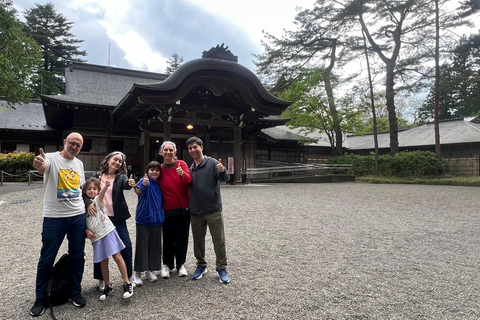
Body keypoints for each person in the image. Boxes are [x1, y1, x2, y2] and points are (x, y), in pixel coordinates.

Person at [30, 132, 87, 317]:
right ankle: (40, 298)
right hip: (54, 217)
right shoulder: (51, 158)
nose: (75, 148)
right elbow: (42, 166)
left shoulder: (79, 164)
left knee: (78, 256)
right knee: (47, 257)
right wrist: (39, 164)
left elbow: (81, 190)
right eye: (72, 143)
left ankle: (74, 291)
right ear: (65, 142)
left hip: (77, 216)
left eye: (78, 145)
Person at [83, 151, 137, 292]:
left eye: (120, 161)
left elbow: (126, 184)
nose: (117, 162)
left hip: (116, 218)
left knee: (126, 245)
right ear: (108, 160)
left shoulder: (121, 177)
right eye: (115, 159)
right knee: (100, 249)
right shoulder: (97, 176)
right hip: (99, 219)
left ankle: (128, 277)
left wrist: (131, 183)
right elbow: (85, 190)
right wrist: (88, 202)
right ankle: (102, 279)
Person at [186, 136, 231, 284]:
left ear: (201, 147)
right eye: (190, 148)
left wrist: (223, 170)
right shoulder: (190, 168)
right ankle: (201, 265)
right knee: (198, 241)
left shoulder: (212, 163)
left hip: (212, 209)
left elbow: (225, 178)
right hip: (196, 210)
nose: (193, 150)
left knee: (219, 240)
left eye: (195, 147)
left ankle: (221, 267)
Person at [158, 141, 191, 279]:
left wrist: (182, 174)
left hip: (183, 207)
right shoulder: (159, 168)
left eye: (171, 150)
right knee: (168, 238)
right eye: (165, 150)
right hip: (167, 208)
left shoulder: (181, 164)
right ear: (161, 152)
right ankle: (166, 264)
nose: (168, 152)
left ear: (175, 152)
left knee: (182, 238)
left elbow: (189, 180)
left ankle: (181, 264)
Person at [131, 161, 165, 286]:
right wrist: (142, 185)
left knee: (154, 246)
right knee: (142, 245)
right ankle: (137, 272)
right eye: (152, 170)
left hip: (157, 219)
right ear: (147, 171)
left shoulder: (159, 184)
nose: (154, 172)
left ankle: (150, 270)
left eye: (157, 170)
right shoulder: (145, 181)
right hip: (144, 218)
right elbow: (140, 189)